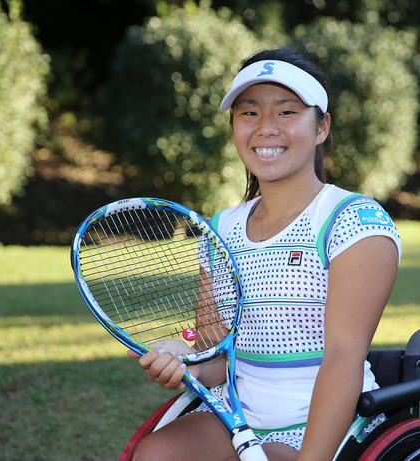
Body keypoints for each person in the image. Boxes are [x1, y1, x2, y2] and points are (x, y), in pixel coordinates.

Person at [127, 48, 401, 461]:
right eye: (249, 113)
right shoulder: (220, 229)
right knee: (156, 455)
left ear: (322, 126)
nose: (265, 128)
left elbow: (344, 356)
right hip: (237, 415)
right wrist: (188, 366)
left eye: (287, 112)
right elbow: (222, 355)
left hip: (329, 422)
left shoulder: (354, 222)